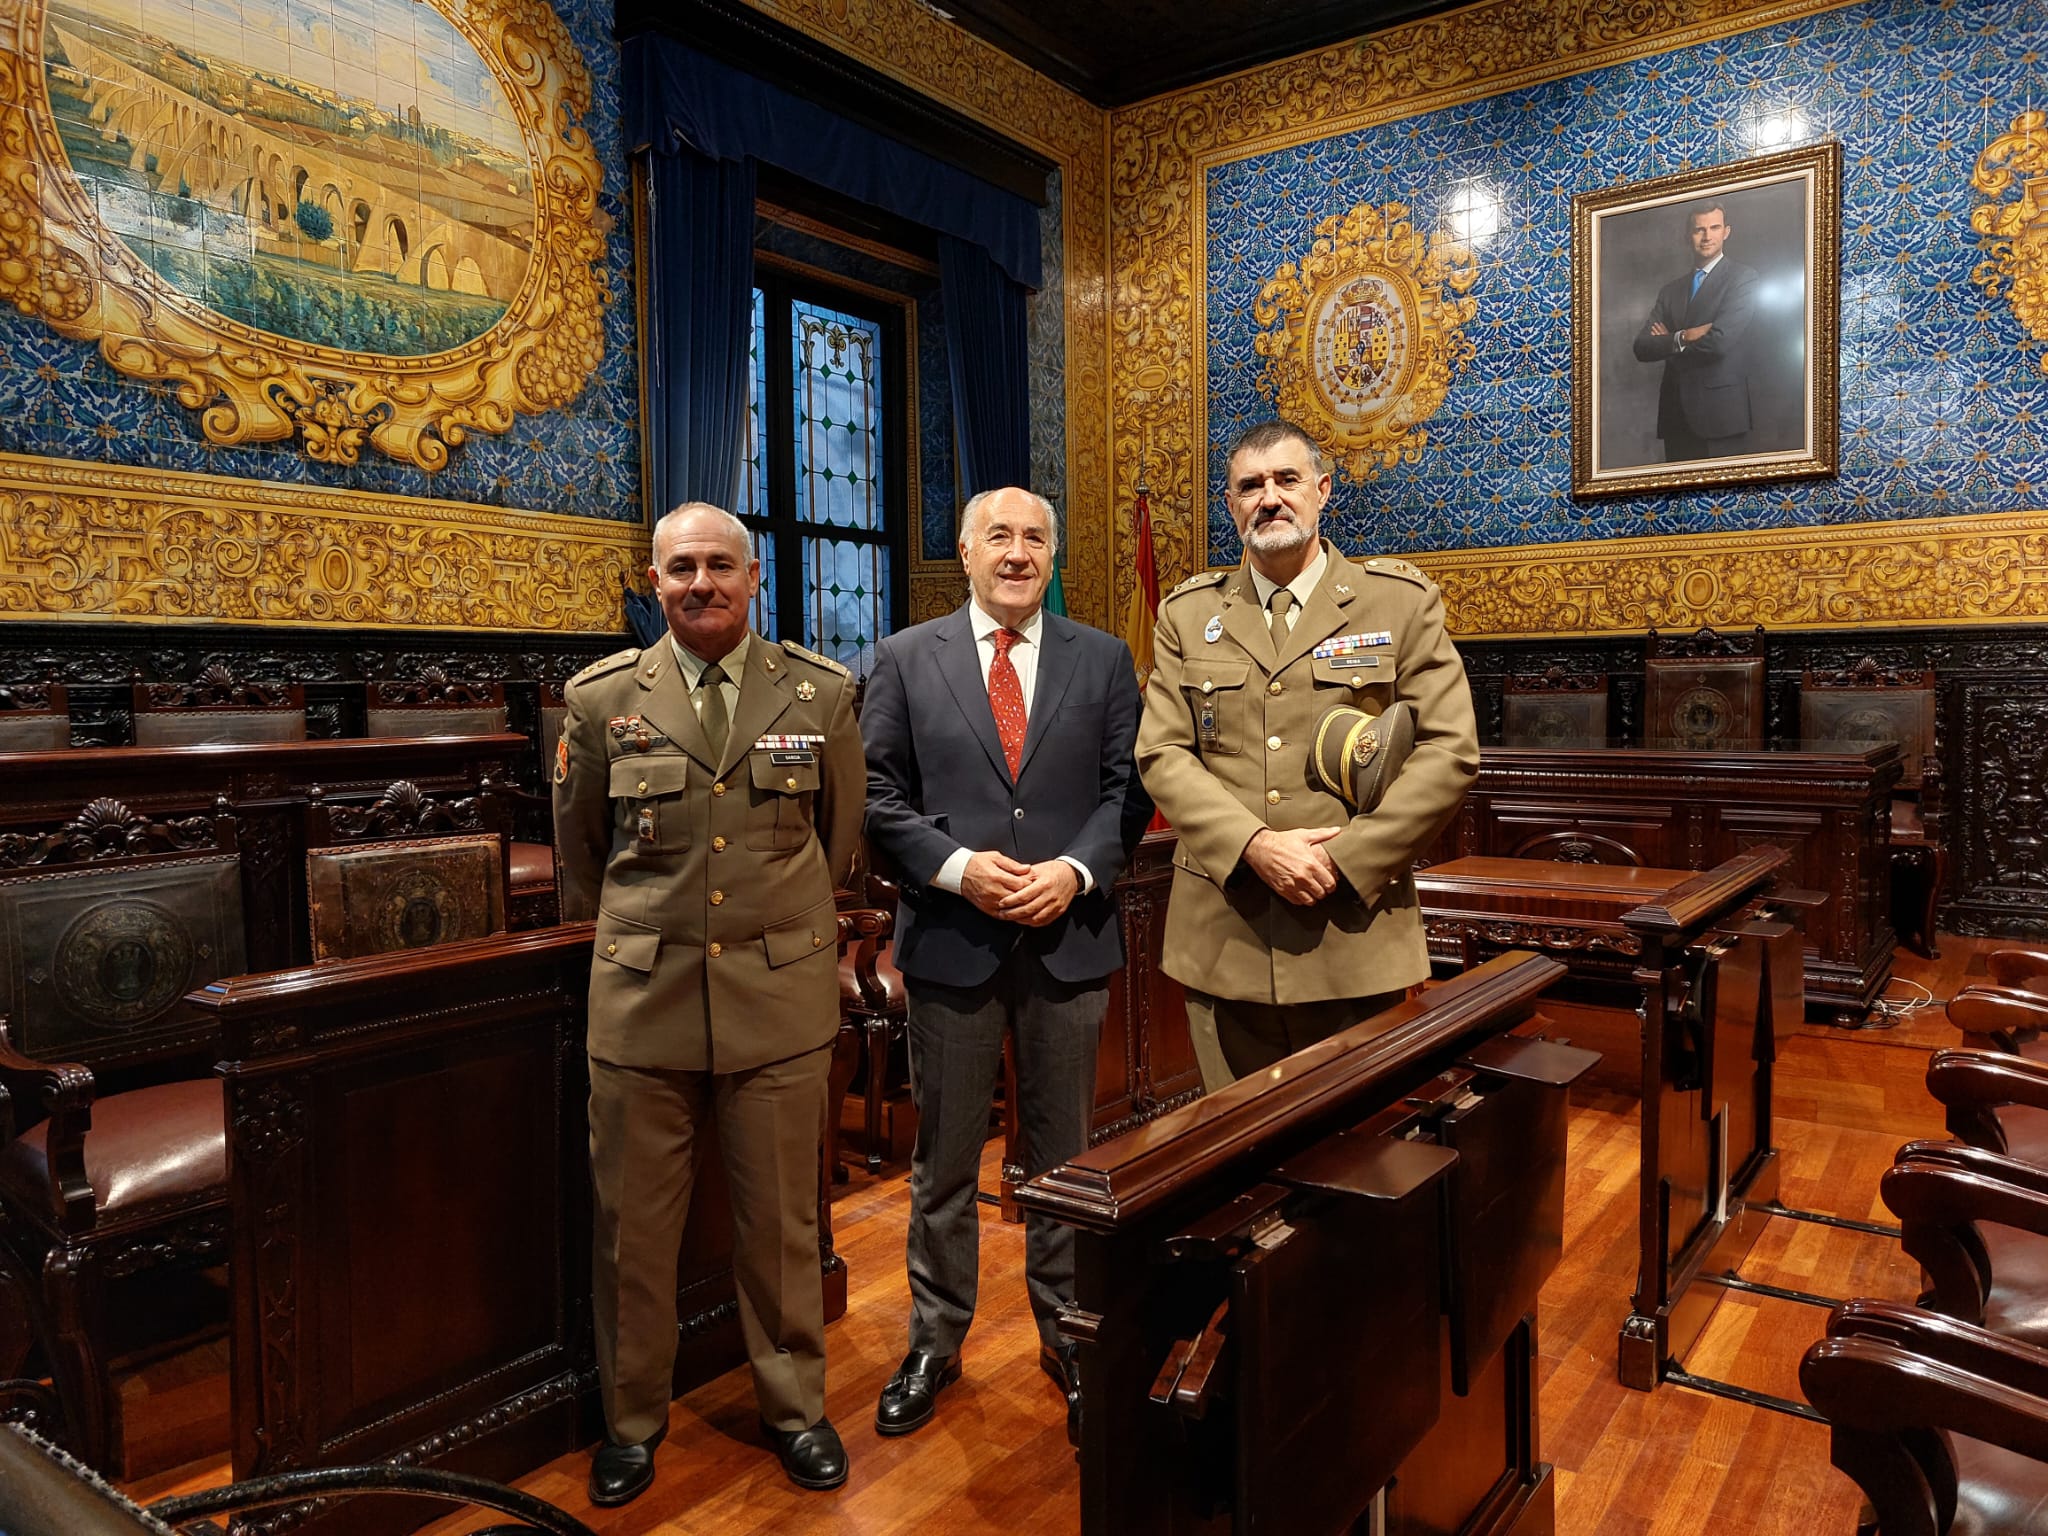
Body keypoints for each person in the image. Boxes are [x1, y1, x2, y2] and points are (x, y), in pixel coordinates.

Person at [552, 502, 864, 1506]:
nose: (701, 583)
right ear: (655, 583)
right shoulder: (601, 699)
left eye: (720, 565)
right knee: (632, 1233)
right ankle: (631, 1421)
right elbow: (581, 856)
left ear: (753, 576)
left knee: (781, 1225)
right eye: (681, 567)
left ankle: (795, 1409)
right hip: (643, 1004)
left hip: (777, 1000)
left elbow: (838, 839)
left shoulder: (819, 692)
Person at [861, 486, 1151, 1444]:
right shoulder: (904, 658)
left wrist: (1074, 872)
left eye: (1034, 537)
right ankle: (935, 1341)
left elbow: (1127, 792)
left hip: (1068, 941)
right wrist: (957, 869)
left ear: (1051, 554)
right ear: (966, 551)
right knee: (944, 1161)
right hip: (952, 943)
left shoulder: (1103, 659)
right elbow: (876, 796)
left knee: (1065, 1160)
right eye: (999, 536)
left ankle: (1069, 1335)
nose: (1018, 553)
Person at [1137, 420, 1478, 1093]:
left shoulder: (1398, 602)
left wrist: (1345, 859)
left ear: (1321, 490)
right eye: (1250, 486)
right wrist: (1254, 845)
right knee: (1237, 1138)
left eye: (1286, 480)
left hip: (1352, 929)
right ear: (1230, 504)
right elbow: (1163, 751)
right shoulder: (1187, 613)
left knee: (1360, 1138)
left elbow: (1450, 749)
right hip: (1225, 934)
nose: (1270, 498)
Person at [1630, 202, 1759, 462]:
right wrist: (1685, 336)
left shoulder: (1743, 278)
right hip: (1676, 415)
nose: (1707, 236)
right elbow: (1641, 347)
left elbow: (1719, 342)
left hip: (1721, 415)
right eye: (1699, 229)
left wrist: (1668, 343)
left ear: (1726, 232)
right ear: (1687, 235)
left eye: (1714, 228)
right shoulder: (1670, 291)